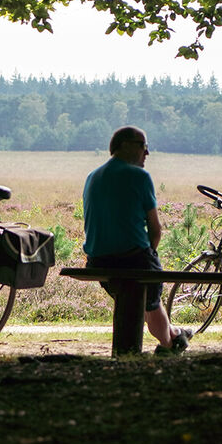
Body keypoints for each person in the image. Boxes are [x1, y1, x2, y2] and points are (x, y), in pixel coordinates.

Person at [83, 126, 192, 355]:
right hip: (132, 258)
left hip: (97, 260)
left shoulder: (92, 176)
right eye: (143, 145)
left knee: (138, 299)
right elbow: (155, 230)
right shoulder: (140, 176)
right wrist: (149, 255)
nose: (147, 153)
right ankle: (170, 342)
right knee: (149, 301)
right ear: (124, 145)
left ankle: (174, 332)